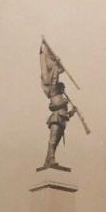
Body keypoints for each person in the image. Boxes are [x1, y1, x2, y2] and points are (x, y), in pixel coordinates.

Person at [39, 39, 76, 168]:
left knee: (56, 142)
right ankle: (51, 159)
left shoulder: (61, 98)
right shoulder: (54, 93)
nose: (64, 90)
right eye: (63, 88)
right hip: (55, 118)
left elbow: (66, 113)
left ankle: (48, 160)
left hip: (62, 120)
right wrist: (56, 66)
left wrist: (72, 112)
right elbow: (53, 107)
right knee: (52, 141)